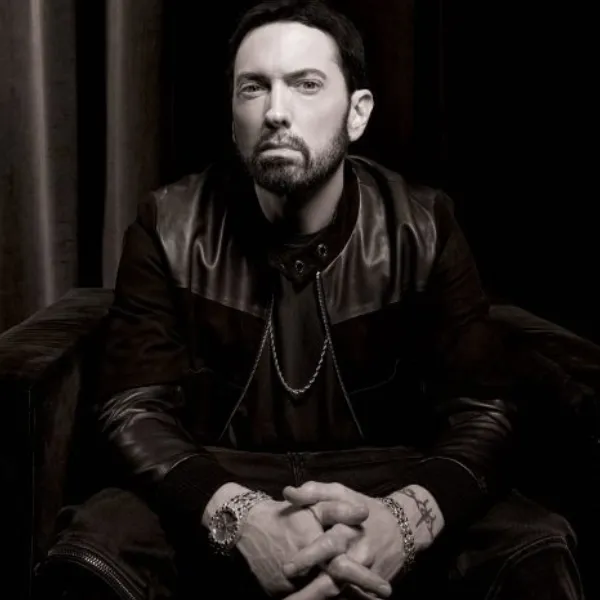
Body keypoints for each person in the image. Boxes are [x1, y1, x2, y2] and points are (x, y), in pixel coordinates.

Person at [38, 1, 583, 599]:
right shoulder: (168, 224)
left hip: (388, 472)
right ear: (233, 119)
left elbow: (485, 410)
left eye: (306, 84)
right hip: (219, 471)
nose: (276, 111)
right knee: (95, 549)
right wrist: (239, 515)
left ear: (357, 112)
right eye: (254, 88)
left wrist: (403, 521)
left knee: (531, 543)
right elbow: (131, 408)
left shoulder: (423, 224)